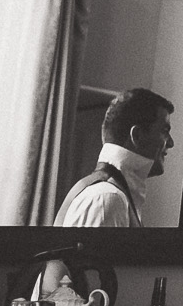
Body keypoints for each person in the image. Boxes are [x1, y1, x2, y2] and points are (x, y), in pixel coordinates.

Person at [54, 88, 175, 227]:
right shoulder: (107, 198)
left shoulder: (109, 194)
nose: (171, 143)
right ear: (137, 135)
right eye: (164, 131)